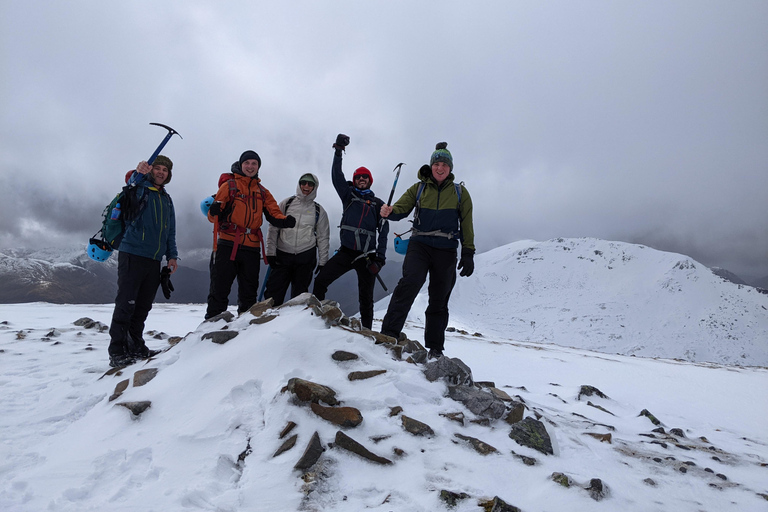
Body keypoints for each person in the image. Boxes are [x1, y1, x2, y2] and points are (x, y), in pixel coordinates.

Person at [379, 142, 475, 359]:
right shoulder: (419, 188)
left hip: (447, 249)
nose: (440, 168)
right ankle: (388, 334)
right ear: (431, 166)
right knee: (409, 283)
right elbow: (401, 209)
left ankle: (435, 348)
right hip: (420, 244)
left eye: (444, 164)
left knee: (439, 297)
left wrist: (468, 251)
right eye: (436, 164)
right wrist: (390, 211)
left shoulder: (460, 193)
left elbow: (467, 223)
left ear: (450, 168)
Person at [205, 150, 295, 319]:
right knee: (219, 288)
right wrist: (213, 211)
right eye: (247, 163)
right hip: (227, 244)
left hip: (251, 247)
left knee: (249, 292)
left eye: (254, 163)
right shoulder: (229, 186)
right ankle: (210, 327)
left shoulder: (262, 192)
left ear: (258, 167)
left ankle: (245, 329)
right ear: (241, 165)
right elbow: (213, 217)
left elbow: (273, 213)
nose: (250, 166)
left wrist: (285, 220)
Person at [108, 155, 178, 367]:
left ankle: (135, 345)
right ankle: (117, 351)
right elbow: (130, 186)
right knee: (126, 303)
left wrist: (172, 255)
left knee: (143, 306)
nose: (160, 172)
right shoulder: (139, 189)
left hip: (154, 259)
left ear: (168, 175)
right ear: (150, 171)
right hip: (132, 254)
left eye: (164, 170)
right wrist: (138, 173)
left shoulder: (166, 199)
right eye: (157, 168)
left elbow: (170, 230)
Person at [312, 134, 389, 329]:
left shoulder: (378, 204)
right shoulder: (348, 195)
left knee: (366, 298)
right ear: (354, 180)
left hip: (368, 257)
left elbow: (385, 232)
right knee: (321, 281)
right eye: (358, 177)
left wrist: (380, 259)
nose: (362, 179)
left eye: (365, 177)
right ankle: (313, 321)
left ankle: (368, 333)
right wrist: (338, 150)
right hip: (347, 252)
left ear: (370, 181)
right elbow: (336, 176)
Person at [264, 173, 331, 306]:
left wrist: (323, 262)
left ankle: (295, 326)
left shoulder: (318, 210)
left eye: (310, 184)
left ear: (315, 187)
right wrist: (270, 252)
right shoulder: (286, 204)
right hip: (283, 254)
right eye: (303, 182)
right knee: (273, 294)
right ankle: (268, 322)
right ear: (299, 184)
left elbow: (323, 237)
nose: (306, 186)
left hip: (305, 257)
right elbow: (274, 228)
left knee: (299, 297)